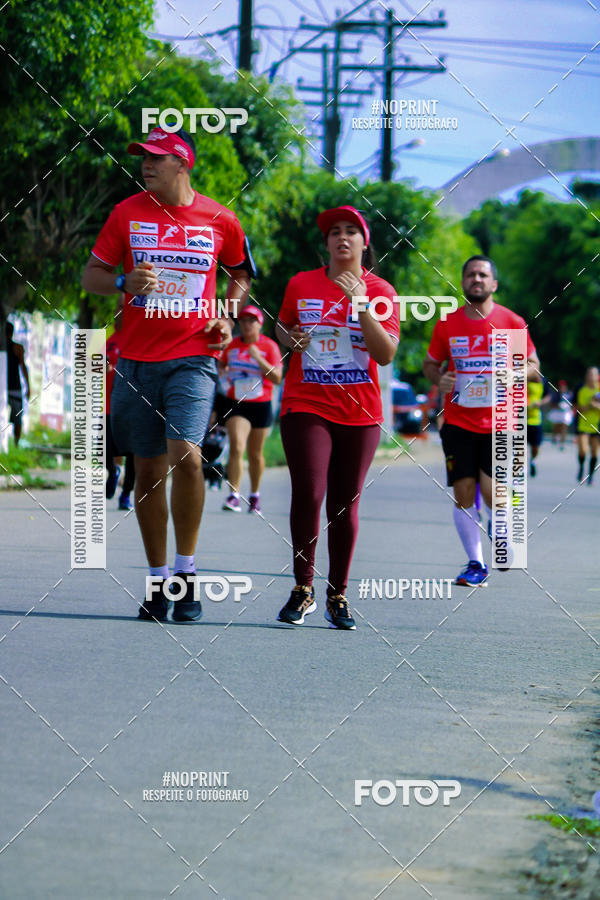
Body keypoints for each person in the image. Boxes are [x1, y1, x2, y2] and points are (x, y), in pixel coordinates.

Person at [81, 125, 254, 623]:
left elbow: (241, 272)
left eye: (157, 157)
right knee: (149, 471)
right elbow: (91, 276)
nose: (146, 164)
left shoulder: (219, 218)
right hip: (135, 360)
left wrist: (226, 311)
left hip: (193, 357)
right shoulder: (125, 214)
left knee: (189, 457)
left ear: (183, 164)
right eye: (143, 157)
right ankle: (158, 582)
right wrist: (121, 279)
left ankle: (186, 574)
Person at [275, 206, 399, 629]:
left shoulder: (382, 290)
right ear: (326, 243)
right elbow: (284, 327)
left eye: (351, 232)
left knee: (345, 507)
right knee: (309, 493)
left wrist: (361, 305)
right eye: (334, 233)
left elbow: (385, 355)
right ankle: (303, 588)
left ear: (365, 243)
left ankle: (338, 595)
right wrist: (289, 338)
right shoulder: (301, 283)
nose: (342, 238)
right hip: (306, 402)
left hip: (359, 412)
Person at [423, 255, 540, 587]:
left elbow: (534, 367)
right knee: (463, 491)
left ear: (494, 284)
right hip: (459, 421)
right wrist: (439, 379)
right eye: (471, 274)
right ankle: (476, 563)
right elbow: (430, 364)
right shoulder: (448, 323)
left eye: (483, 275)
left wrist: (515, 372)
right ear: (463, 282)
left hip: (501, 420)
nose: (477, 279)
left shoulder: (512, 322)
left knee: (493, 493)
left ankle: (499, 528)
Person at [217, 304, 282, 513]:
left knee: (255, 454)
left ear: (259, 324)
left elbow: (277, 378)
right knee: (236, 446)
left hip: (261, 403)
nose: (246, 325)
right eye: (243, 321)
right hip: (236, 403)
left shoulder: (269, 346)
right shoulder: (232, 345)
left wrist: (258, 358)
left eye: (251, 321)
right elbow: (220, 364)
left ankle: (254, 495)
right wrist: (224, 379)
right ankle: (233, 495)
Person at [105, 295, 135, 509]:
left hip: (134, 405)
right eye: (118, 307)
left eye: (124, 307)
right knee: (105, 448)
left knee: (133, 454)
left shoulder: (140, 338)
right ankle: (113, 470)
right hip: (108, 404)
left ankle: (126, 494)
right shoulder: (108, 338)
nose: (120, 311)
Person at [5, 321, 30, 446]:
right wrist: (28, 386)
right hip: (14, 388)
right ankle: (16, 444)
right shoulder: (18, 348)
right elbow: (23, 367)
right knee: (18, 419)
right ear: (12, 332)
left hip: (3, 388)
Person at [574, 366, 600, 484]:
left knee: (595, 452)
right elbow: (575, 406)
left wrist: (596, 406)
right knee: (583, 450)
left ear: (597, 376)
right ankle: (581, 467)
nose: (591, 377)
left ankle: (590, 476)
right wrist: (586, 406)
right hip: (583, 424)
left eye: (593, 374)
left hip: (597, 426)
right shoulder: (580, 388)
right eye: (589, 374)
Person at [526, 377, 550, 477]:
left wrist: (540, 402)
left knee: (535, 447)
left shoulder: (543, 381)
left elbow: (548, 396)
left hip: (535, 419)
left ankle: (533, 461)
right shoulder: (520, 378)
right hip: (520, 419)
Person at [548, 380, 573, 449]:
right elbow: (551, 404)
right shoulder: (556, 394)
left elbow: (573, 403)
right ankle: (555, 438)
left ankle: (562, 443)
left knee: (564, 427)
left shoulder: (569, 394)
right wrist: (558, 406)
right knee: (557, 427)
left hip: (566, 412)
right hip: (557, 412)